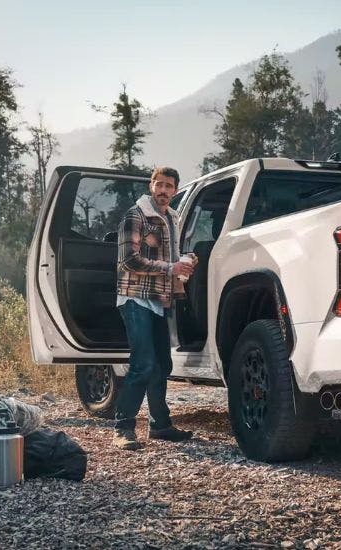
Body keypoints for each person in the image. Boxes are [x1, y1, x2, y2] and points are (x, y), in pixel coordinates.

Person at [112, 166, 196, 450]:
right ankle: (122, 429)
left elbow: (169, 257)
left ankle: (160, 426)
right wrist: (171, 267)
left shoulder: (172, 217)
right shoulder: (135, 215)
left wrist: (185, 261)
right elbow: (128, 261)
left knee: (163, 365)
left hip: (160, 299)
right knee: (143, 364)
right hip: (135, 297)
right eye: (159, 185)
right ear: (151, 186)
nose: (163, 191)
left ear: (175, 190)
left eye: (169, 186)